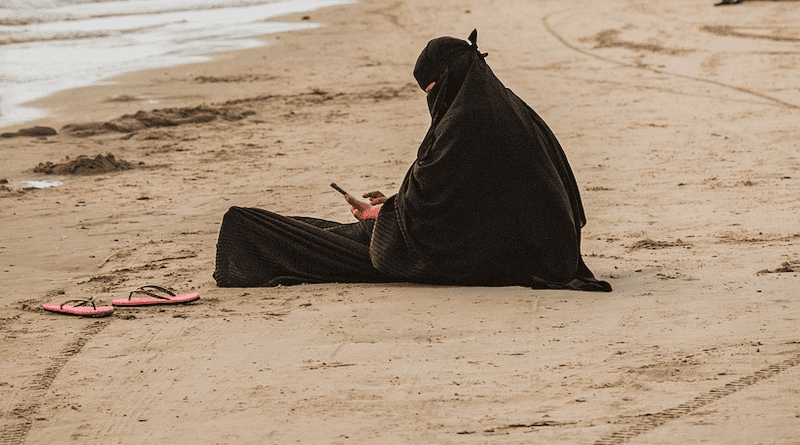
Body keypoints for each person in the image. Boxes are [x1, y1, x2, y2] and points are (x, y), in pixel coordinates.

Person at [213, 30, 611, 292]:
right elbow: (468, 200)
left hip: (483, 257)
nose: (432, 101)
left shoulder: (465, 125)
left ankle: (246, 235)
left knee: (262, 230)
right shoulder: (509, 110)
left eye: (432, 89)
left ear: (448, 79)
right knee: (327, 235)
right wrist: (391, 207)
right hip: (535, 251)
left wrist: (378, 216)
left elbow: (433, 217)